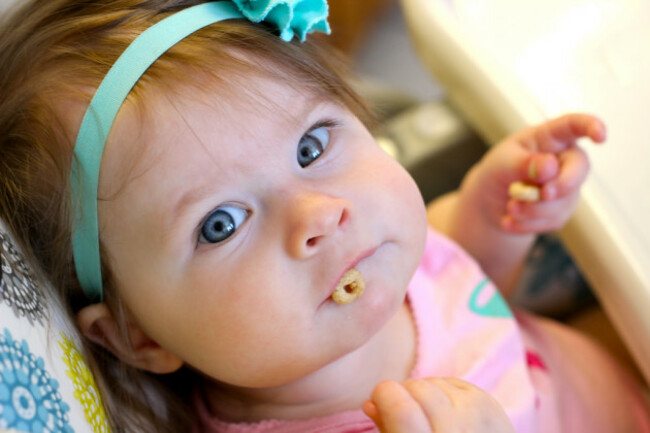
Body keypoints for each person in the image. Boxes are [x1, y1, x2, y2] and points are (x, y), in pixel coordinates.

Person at [0, 0, 648, 432]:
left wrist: (495, 217)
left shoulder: (378, 257)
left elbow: (466, 290)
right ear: (139, 336)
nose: (319, 214)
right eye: (221, 223)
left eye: (312, 146)